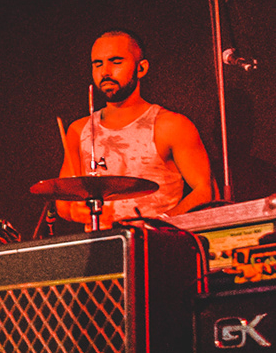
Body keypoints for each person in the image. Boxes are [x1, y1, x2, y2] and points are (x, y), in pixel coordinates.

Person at [58, 29, 213, 225]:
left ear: (141, 68)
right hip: (101, 242)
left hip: (155, 240)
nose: (105, 72)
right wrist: (74, 211)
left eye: (116, 62)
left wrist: (161, 224)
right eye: (98, 64)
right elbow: (63, 203)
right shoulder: (79, 130)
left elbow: (204, 191)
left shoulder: (171, 125)